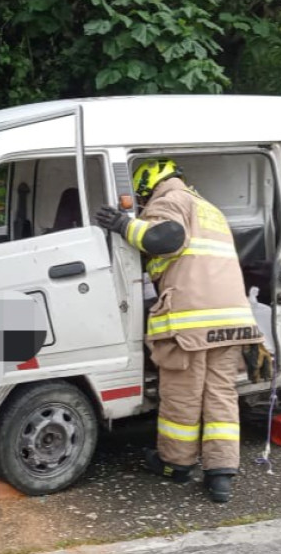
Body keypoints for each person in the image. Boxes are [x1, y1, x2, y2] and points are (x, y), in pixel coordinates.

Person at [94, 158, 262, 503]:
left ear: (151, 184)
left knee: (183, 394)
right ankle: (221, 474)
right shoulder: (209, 208)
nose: (141, 202)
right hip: (232, 320)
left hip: (191, 322)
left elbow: (166, 237)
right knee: (221, 395)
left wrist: (124, 225)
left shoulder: (169, 200)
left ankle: (175, 464)